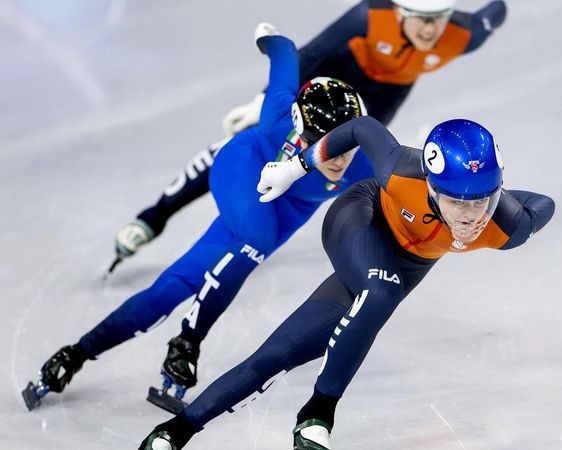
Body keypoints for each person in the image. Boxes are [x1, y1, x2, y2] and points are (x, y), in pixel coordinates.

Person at [138, 116, 555, 449]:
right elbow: (362, 128)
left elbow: (544, 205)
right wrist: (297, 166)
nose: (471, 215)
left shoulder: (504, 226)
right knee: (382, 289)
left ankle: (176, 431)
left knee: (280, 353)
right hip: (361, 218)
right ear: (430, 186)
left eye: (483, 198)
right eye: (457, 201)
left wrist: (512, 210)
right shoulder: (400, 170)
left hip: (401, 268)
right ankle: (319, 413)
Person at [21, 25, 373, 412]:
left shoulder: (365, 163)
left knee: (169, 291)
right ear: (302, 132)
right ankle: (188, 342)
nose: (338, 159)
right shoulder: (276, 122)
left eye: (345, 146)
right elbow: (286, 56)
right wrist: (269, 38)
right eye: (324, 146)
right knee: (256, 237)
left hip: (284, 211)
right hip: (245, 169)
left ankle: (74, 354)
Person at [112, 0, 508, 272]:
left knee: (344, 166)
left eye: (439, 18)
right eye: (419, 18)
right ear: (396, 10)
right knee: (254, 141)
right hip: (333, 75)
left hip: (382, 97)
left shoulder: (465, 32)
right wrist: (261, 102)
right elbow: (311, 54)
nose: (430, 29)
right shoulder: (367, 18)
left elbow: (497, 10)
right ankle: (154, 217)